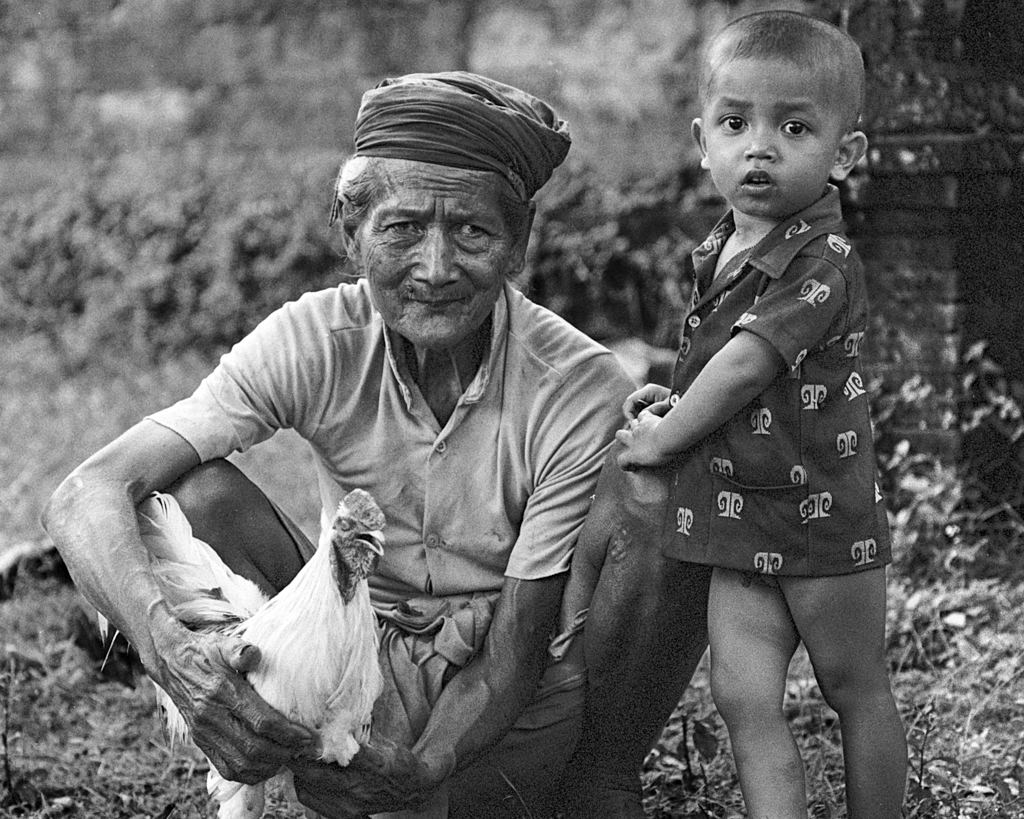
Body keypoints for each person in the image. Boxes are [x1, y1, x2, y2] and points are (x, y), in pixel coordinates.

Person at [42, 71, 711, 819]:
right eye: (402, 229)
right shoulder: (317, 338)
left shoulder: (576, 384)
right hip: (350, 690)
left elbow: (517, 645)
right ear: (350, 233)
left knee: (658, 485)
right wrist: (174, 657)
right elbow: (86, 494)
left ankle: (600, 783)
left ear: (519, 242)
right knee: (194, 495)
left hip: (517, 710)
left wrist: (422, 769)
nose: (436, 268)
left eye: (473, 232)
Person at [615, 11, 908, 819]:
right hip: (737, 512)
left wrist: (663, 440)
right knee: (742, 696)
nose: (761, 148)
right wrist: (673, 402)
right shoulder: (722, 247)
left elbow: (747, 365)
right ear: (702, 139)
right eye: (736, 124)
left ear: (844, 153)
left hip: (823, 523)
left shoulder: (822, 260)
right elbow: (718, 369)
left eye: (795, 127)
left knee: (854, 686)